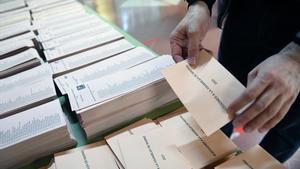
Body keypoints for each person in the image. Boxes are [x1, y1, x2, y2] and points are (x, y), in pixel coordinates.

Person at [170, 0, 300, 162]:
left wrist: (296, 56)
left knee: (282, 127)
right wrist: (200, 4)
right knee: (221, 104)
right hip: (244, 16)